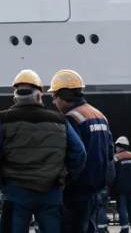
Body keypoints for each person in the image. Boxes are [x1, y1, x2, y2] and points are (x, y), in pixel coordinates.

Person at [0, 69, 87, 233]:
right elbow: (79, 154)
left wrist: (2, 183)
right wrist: (65, 179)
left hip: (16, 191)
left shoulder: (3, 120)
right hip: (50, 191)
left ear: (15, 96)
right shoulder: (59, 120)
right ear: (40, 95)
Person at [49, 69, 114, 233]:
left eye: (54, 97)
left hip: (76, 189)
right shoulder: (99, 115)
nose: (53, 103)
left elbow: (71, 155)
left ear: (64, 96)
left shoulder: (72, 118)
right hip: (96, 188)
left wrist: (65, 181)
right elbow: (110, 151)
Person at [109, 138, 131, 233]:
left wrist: (111, 185)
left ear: (119, 146)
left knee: (122, 208)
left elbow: (111, 174)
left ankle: (124, 228)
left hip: (120, 189)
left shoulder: (115, 158)